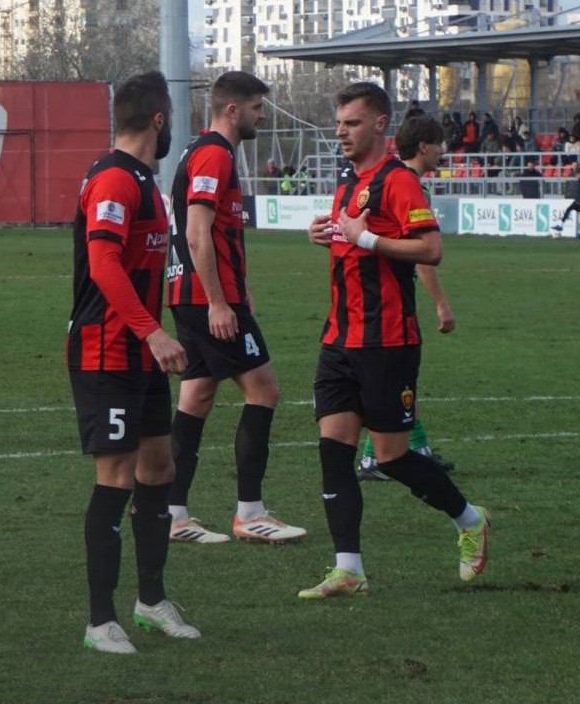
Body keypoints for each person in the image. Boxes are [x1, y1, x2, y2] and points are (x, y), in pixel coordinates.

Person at [302, 82, 490, 599]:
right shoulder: (348, 181)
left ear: (380, 125)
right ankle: (348, 569)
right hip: (339, 338)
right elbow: (349, 242)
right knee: (334, 452)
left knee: (390, 458)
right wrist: (326, 235)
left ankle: (470, 520)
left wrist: (365, 238)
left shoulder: (399, 181)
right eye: (339, 123)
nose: (341, 132)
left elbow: (431, 249)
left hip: (387, 341)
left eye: (352, 123)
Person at [68, 71, 200, 653]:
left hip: (140, 352)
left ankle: (151, 602)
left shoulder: (144, 180)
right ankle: (100, 621)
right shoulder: (115, 179)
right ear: (158, 119)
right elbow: (103, 264)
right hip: (107, 350)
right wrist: (153, 333)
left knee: (159, 469)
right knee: (116, 477)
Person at [165, 71, 306, 545]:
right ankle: (250, 513)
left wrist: (238, 288)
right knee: (264, 390)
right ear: (232, 110)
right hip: (207, 300)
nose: (262, 116)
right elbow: (196, 233)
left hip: (192, 295)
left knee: (197, 398)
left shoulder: (202, 151)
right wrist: (219, 302)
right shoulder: (214, 153)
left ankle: (172, 513)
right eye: (257, 108)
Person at [357, 114, 457, 481]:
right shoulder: (407, 185)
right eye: (439, 144)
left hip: (379, 296)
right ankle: (375, 457)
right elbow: (423, 254)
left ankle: (414, 448)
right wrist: (441, 302)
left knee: (395, 379)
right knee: (391, 379)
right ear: (424, 146)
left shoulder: (390, 178)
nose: (443, 150)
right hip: (388, 300)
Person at [552, 159, 580, 237]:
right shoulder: (575, 172)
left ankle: (561, 226)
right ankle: (561, 226)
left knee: (569, 210)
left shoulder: (578, 173)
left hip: (578, 200)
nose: (577, 176)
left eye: (575, 165)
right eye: (573, 165)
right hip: (577, 199)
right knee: (569, 210)